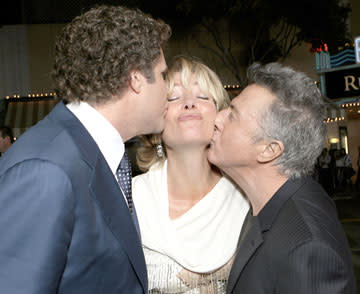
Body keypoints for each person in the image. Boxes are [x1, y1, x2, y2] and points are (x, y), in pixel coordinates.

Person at [0, 5, 170, 294]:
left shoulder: (94, 153)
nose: (169, 89)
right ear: (136, 79)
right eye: (164, 75)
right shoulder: (46, 171)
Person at [208, 62, 356, 294]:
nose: (217, 118)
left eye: (233, 115)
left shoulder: (307, 251)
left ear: (269, 150)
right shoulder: (283, 200)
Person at [132, 56, 249, 293]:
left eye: (203, 96)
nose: (189, 103)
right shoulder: (128, 200)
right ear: (155, 122)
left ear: (220, 117)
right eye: (173, 97)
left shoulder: (249, 198)